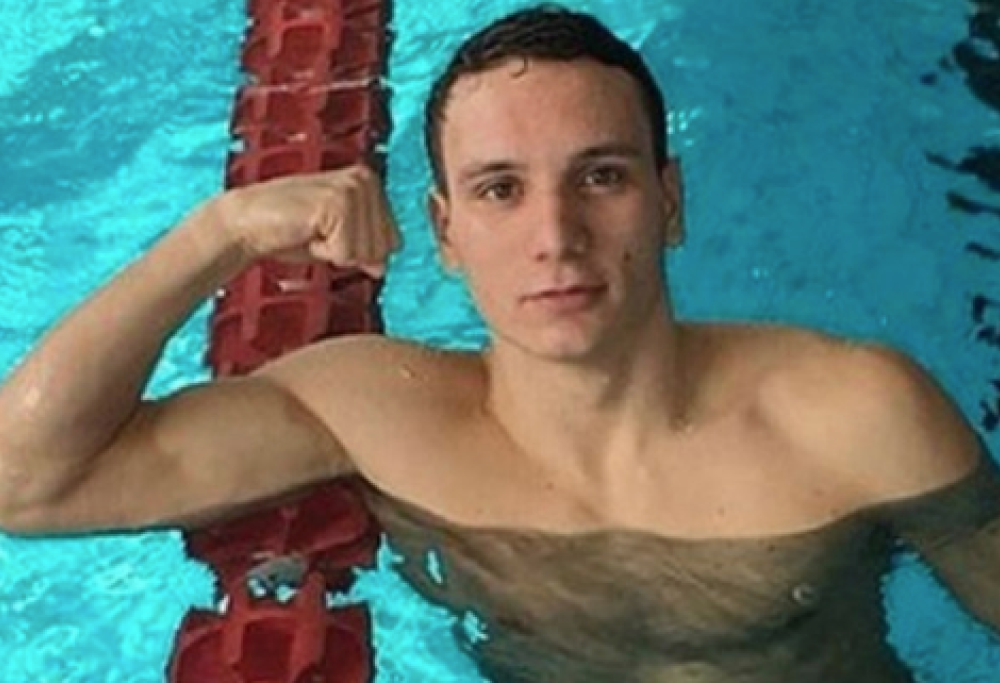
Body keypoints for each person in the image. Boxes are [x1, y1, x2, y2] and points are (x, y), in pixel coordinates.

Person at [0, 5, 997, 682]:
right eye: (500, 189)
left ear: (670, 200)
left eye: (601, 176)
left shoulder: (854, 414)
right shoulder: (380, 417)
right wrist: (219, 234)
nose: (555, 236)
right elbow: (28, 482)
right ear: (444, 232)